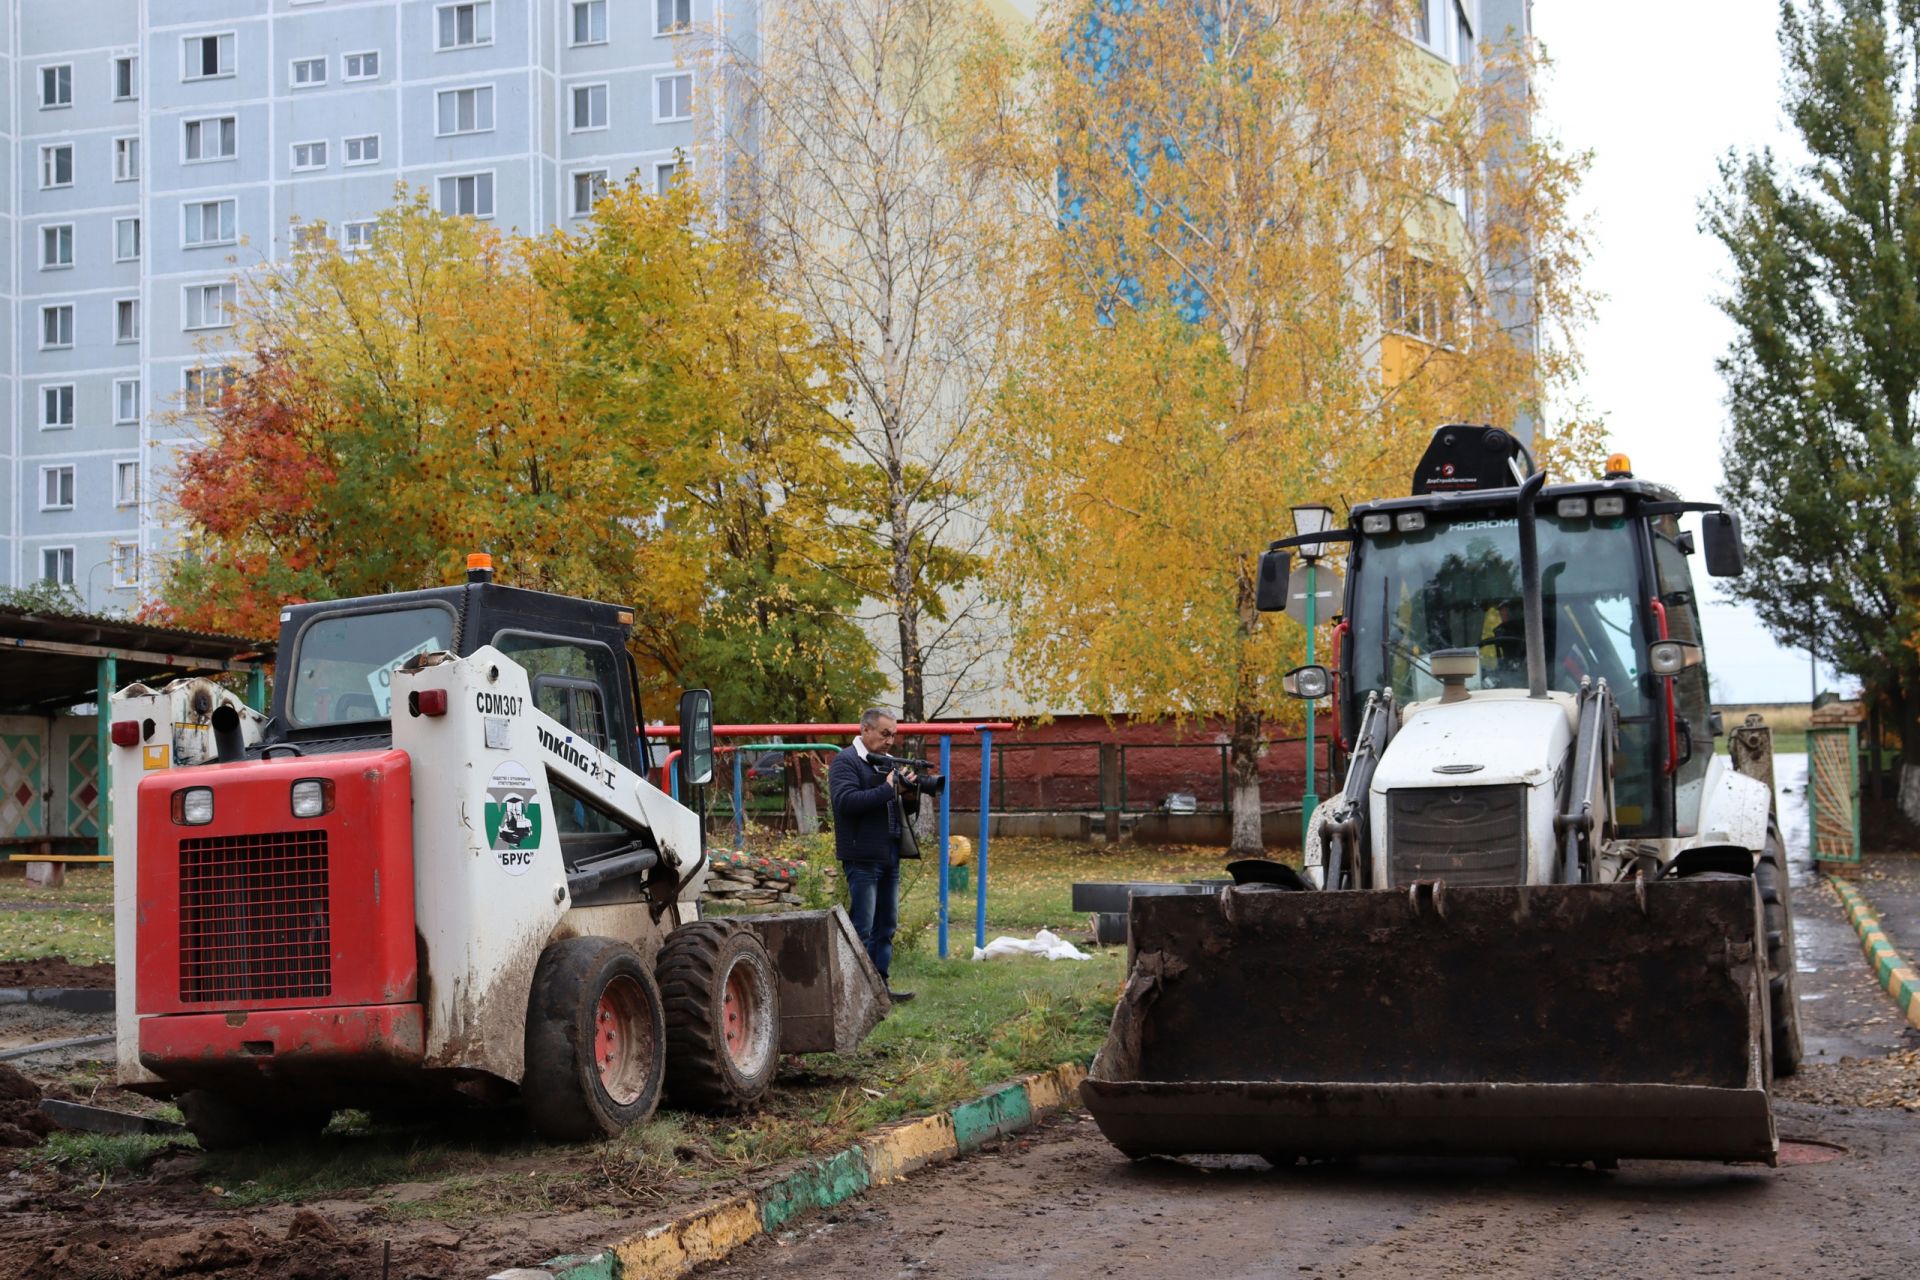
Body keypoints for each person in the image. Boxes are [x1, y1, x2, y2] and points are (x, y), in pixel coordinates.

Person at [828, 707, 926, 1003]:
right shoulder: (846, 762)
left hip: (889, 854)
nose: (890, 741)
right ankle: (854, 992)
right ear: (865, 730)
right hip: (862, 857)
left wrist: (908, 796)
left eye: (894, 735)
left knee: (887, 925)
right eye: (885, 734)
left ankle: (879, 988)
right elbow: (845, 803)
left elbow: (894, 807)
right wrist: (887, 789)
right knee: (863, 927)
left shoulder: (884, 763)